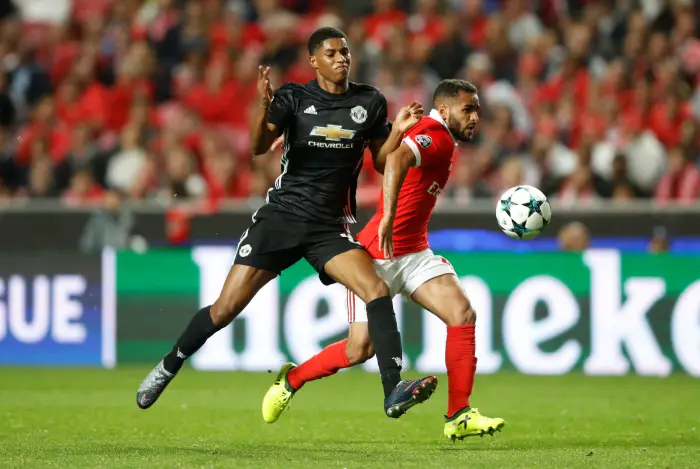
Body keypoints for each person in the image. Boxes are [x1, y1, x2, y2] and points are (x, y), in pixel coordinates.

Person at [136, 27, 438, 419]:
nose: (342, 58)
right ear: (314, 60)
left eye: (345, 52)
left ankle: (393, 388)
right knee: (225, 309)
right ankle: (168, 366)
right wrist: (264, 108)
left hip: (328, 228)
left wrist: (396, 131)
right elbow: (260, 146)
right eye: (331, 53)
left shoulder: (370, 101)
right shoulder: (294, 98)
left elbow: (381, 163)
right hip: (282, 217)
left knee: (376, 288)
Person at [262, 79, 506, 441]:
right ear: (445, 108)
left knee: (462, 314)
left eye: (478, 111)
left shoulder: (441, 138)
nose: (475, 118)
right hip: (376, 255)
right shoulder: (434, 134)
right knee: (359, 348)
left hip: (414, 253)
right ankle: (292, 379)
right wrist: (388, 216)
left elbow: (389, 152)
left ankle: (459, 414)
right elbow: (395, 158)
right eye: (468, 109)